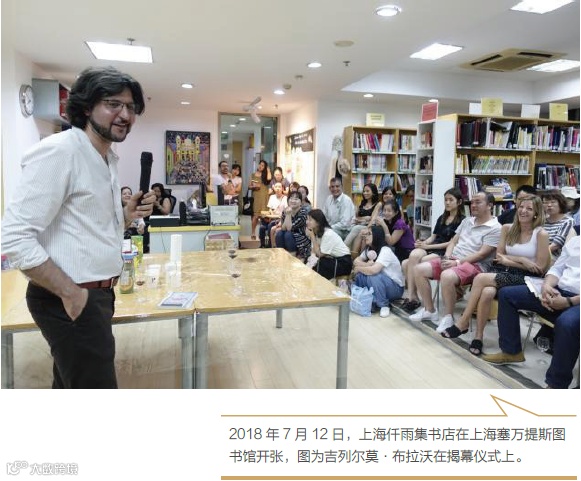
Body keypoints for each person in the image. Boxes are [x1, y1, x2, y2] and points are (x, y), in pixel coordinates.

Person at [1, 66, 154, 388]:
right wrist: (71, 294)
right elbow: (14, 236)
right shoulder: (61, 151)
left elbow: (88, 228)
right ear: (86, 107)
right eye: (113, 104)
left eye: (130, 107)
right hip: (69, 295)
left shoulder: (105, 158)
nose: (125, 114)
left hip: (96, 294)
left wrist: (125, 216)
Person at [441, 195, 550, 356]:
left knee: (480, 278)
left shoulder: (541, 234)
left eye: (529, 208)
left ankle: (463, 322)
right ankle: (478, 337)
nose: (523, 211)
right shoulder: (507, 228)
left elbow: (539, 268)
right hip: (503, 271)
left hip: (526, 278)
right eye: (521, 207)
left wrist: (512, 261)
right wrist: (522, 260)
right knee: (487, 292)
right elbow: (499, 257)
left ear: (536, 213)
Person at [482, 235, 579, 389]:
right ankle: (511, 351)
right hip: (558, 291)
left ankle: (556, 385)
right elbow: (557, 268)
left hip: (577, 300)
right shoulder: (575, 241)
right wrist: (547, 286)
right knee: (507, 294)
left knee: (566, 323)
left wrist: (569, 301)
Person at [409, 191, 501, 334]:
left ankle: (448, 317)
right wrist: (447, 257)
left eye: (478, 202)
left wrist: (457, 262)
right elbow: (453, 242)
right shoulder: (467, 221)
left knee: (447, 275)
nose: (473, 205)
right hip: (454, 258)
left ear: (490, 205)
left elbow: (482, 254)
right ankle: (429, 310)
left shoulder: (496, 228)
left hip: (476, 265)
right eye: (472, 202)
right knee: (418, 269)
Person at [400, 187, 465, 313]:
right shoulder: (442, 217)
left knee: (409, 263)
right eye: (445, 200)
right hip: (433, 247)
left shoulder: (462, 220)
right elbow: (433, 237)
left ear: (459, 202)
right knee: (412, 255)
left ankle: (418, 300)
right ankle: (412, 296)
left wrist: (428, 247)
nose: (447, 202)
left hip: (446, 251)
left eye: (451, 200)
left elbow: (452, 243)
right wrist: (423, 243)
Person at [352, 225, 405, 318]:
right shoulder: (369, 249)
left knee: (372, 275)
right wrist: (367, 265)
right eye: (366, 234)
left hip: (395, 288)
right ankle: (366, 300)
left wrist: (360, 268)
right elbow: (356, 261)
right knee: (360, 275)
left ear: (377, 235)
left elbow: (374, 270)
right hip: (380, 284)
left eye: (369, 234)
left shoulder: (385, 250)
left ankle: (383, 305)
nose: (366, 236)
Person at [306, 209, 353, 280]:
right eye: (307, 219)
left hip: (343, 262)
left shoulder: (328, 234)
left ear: (318, 222)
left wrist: (312, 236)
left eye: (310, 220)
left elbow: (320, 254)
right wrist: (311, 260)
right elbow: (313, 250)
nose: (307, 222)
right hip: (331, 258)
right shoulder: (315, 232)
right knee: (308, 259)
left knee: (320, 264)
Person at [343, 182, 379, 255]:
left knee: (356, 228)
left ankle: (342, 247)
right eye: (364, 191)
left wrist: (364, 221)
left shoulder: (378, 204)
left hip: (370, 226)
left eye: (367, 191)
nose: (365, 193)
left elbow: (372, 219)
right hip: (360, 224)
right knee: (350, 228)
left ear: (373, 192)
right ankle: (348, 254)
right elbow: (356, 217)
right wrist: (364, 218)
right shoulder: (362, 203)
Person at [275, 191, 310, 260]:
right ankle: (281, 255)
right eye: (291, 198)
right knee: (279, 233)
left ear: (301, 202)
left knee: (288, 234)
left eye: (296, 199)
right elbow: (283, 228)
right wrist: (287, 213)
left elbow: (289, 228)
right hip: (289, 236)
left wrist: (288, 214)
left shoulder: (303, 212)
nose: (293, 201)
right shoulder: (285, 211)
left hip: (301, 238)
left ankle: (292, 256)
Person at [541, 190, 575, 258]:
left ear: (561, 203)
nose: (549, 205)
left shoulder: (567, 221)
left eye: (553, 202)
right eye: (545, 202)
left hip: (556, 258)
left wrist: (537, 254)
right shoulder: (542, 222)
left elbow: (556, 245)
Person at [260, 182, 287, 247]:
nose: (277, 188)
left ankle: (270, 245)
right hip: (271, 218)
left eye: (279, 187)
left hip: (279, 219)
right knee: (262, 227)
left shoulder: (285, 198)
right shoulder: (272, 197)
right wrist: (271, 213)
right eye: (276, 187)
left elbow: (286, 210)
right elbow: (270, 209)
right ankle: (262, 245)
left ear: (282, 189)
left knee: (270, 225)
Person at [249, 160, 271, 239]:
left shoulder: (265, 175)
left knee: (265, 216)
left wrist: (268, 170)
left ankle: (264, 234)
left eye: (263, 165)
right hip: (256, 197)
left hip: (265, 197)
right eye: (260, 165)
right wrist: (254, 187)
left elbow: (269, 178)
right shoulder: (253, 175)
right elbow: (249, 186)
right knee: (255, 216)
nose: (260, 166)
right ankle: (253, 232)